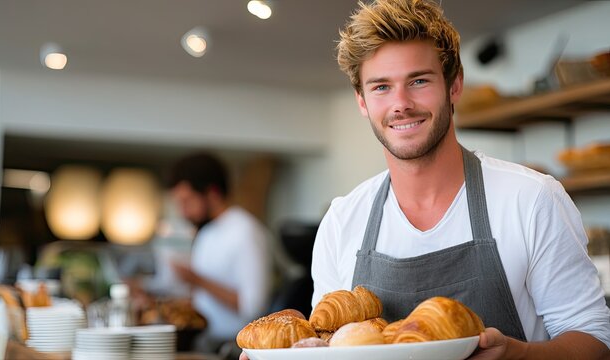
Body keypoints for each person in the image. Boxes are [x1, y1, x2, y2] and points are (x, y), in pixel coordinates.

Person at [238, 0, 610, 359]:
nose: (400, 103)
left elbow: (595, 341)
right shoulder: (342, 220)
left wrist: (519, 355)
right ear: (362, 101)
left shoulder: (530, 199)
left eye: (418, 80)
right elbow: (328, 347)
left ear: (454, 86)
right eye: (381, 86)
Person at [166, 152, 272, 354]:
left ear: (212, 193)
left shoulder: (245, 231)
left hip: (234, 347)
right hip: (205, 340)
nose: (183, 212)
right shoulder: (206, 233)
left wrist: (197, 279)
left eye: (187, 201)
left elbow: (253, 307)